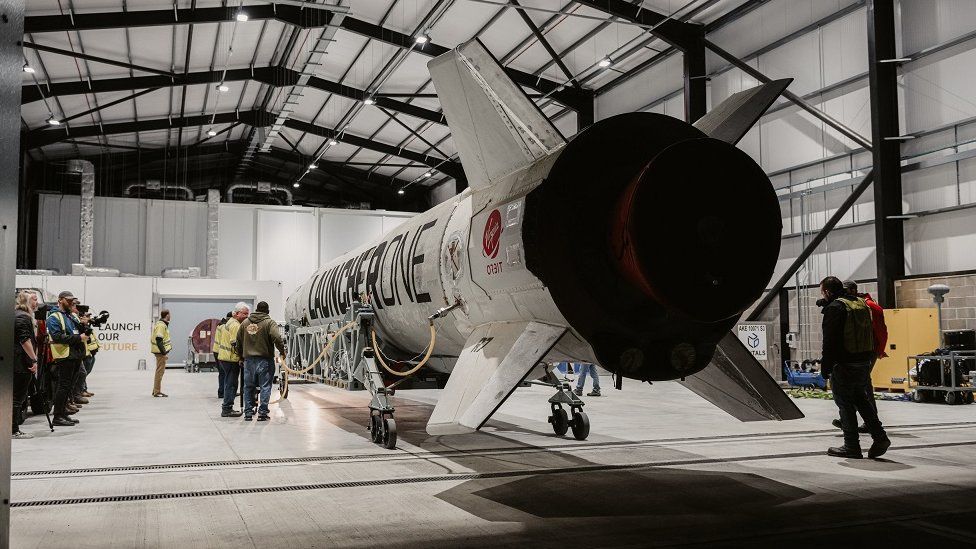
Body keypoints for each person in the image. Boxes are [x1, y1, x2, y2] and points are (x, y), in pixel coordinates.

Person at [819, 276, 890, 459]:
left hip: (844, 364)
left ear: (827, 291)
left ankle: (851, 446)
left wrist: (825, 368)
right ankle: (880, 437)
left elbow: (830, 342)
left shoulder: (835, 308)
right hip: (864, 362)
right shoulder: (860, 304)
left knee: (845, 404)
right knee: (862, 400)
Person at [832, 280, 888, 434]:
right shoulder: (852, 304)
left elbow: (882, 331)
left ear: (852, 290)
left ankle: (853, 421)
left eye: (844, 290)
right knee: (863, 386)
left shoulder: (869, 306)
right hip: (862, 350)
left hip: (866, 350)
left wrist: (880, 350)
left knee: (856, 386)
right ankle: (870, 422)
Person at [235, 301, 284, 421]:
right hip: (265, 360)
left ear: (256, 310)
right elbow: (277, 337)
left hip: (248, 361)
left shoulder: (245, 323)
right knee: (265, 386)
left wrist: (241, 357)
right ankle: (262, 413)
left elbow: (238, 342)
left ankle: (247, 413)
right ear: (267, 311)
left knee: (248, 387)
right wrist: (282, 351)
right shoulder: (269, 322)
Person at [46, 291, 87, 427]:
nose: (71, 303)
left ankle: (63, 413)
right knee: (63, 386)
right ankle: (57, 416)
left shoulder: (70, 316)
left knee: (69, 387)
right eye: (68, 300)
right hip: (65, 356)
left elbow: (80, 331)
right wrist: (78, 338)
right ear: (60, 300)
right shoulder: (54, 317)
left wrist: (85, 325)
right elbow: (57, 337)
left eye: (72, 301)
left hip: (75, 355)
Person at [13, 291, 39, 439]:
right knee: (17, 398)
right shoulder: (23, 317)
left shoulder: (16, 315)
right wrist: (34, 359)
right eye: (34, 300)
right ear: (26, 301)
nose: (37, 303)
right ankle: (13, 430)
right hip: (21, 363)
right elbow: (25, 341)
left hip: (17, 362)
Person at [220, 303, 249, 418]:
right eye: (244, 314)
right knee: (231, 384)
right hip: (231, 359)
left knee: (229, 383)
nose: (247, 316)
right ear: (237, 313)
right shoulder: (235, 325)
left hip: (225, 357)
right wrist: (241, 357)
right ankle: (227, 409)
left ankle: (227, 407)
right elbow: (234, 343)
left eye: (248, 314)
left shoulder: (231, 321)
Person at [151, 309, 172, 397]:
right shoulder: (161, 325)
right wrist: (163, 352)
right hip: (160, 352)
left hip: (161, 352)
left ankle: (155, 390)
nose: (170, 316)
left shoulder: (162, 325)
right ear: (167, 315)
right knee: (160, 372)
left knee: (159, 371)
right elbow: (159, 339)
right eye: (170, 314)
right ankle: (157, 391)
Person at [214, 312, 231, 399]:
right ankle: (223, 392)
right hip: (221, 351)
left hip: (216, 351)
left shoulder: (220, 325)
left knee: (222, 373)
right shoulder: (225, 327)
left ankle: (222, 392)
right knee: (224, 373)